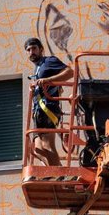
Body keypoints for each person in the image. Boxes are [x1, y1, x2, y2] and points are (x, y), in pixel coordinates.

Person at [25, 37, 74, 166]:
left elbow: (70, 72)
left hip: (48, 108)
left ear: (41, 49)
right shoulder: (37, 68)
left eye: (34, 48)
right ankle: (54, 171)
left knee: (47, 145)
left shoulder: (49, 61)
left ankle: (59, 175)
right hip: (38, 111)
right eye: (28, 50)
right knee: (37, 149)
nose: (31, 52)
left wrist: (49, 80)